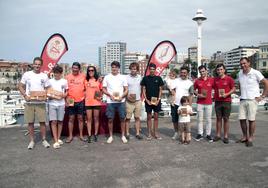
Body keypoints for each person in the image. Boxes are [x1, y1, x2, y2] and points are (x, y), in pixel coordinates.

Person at [18, 57, 50, 149]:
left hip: (41, 103)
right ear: (33, 64)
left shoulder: (44, 76)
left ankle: (44, 140)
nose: (37, 66)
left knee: (42, 122)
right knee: (30, 122)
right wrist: (25, 96)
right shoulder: (27, 74)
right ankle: (32, 141)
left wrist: (46, 96)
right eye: (35, 64)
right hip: (30, 103)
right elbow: (20, 86)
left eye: (39, 64)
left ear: (41, 65)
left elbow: (48, 88)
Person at [237, 57, 268, 147]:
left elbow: (266, 82)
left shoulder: (255, 73)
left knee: (251, 120)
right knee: (242, 119)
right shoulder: (240, 73)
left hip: (252, 100)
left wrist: (263, 96)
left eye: (244, 63)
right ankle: (244, 136)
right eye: (241, 64)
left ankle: (250, 138)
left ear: (249, 63)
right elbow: (239, 83)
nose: (243, 65)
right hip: (243, 99)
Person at [102, 61, 128, 144]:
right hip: (110, 101)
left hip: (121, 101)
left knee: (122, 119)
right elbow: (103, 89)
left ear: (118, 68)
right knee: (110, 119)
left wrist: (122, 96)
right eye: (113, 67)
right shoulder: (107, 77)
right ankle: (110, 136)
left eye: (116, 67)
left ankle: (123, 135)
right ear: (111, 68)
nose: (114, 68)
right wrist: (110, 95)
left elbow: (126, 90)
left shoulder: (123, 77)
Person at [140, 63, 164, 140]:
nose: (152, 70)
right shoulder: (145, 78)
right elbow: (143, 89)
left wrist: (158, 99)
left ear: (155, 70)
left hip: (156, 101)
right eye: (151, 69)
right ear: (149, 70)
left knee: (156, 117)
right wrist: (146, 100)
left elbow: (160, 90)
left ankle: (156, 133)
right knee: (149, 117)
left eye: (153, 69)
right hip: (148, 101)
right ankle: (149, 133)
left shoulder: (159, 78)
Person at [213, 64, 235, 144]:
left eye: (221, 69)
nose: (219, 71)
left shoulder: (229, 79)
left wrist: (227, 94)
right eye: (218, 70)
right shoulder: (215, 79)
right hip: (217, 101)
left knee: (226, 119)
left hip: (227, 101)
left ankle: (225, 136)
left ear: (224, 70)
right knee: (218, 118)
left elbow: (233, 89)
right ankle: (218, 135)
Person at [47, 65, 68, 149]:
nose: (57, 74)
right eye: (55, 73)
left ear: (61, 73)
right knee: (53, 122)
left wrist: (64, 95)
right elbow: (48, 93)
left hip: (61, 104)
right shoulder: (49, 81)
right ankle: (55, 141)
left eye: (58, 73)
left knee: (60, 121)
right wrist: (52, 96)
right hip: (52, 103)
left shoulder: (64, 81)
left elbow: (66, 92)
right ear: (53, 73)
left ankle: (58, 138)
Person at [170, 67, 193, 140]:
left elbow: (191, 95)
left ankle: (186, 134)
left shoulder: (190, 83)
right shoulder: (176, 80)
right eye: (182, 72)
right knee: (175, 119)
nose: (183, 74)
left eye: (184, 73)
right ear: (180, 72)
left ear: (187, 73)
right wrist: (172, 99)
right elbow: (172, 90)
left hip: (185, 105)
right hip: (175, 104)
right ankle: (177, 132)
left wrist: (190, 105)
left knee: (185, 120)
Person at [65, 62, 86, 143]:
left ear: (79, 69)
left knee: (80, 119)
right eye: (73, 68)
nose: (75, 69)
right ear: (72, 68)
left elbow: (86, 88)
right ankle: (70, 136)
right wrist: (66, 100)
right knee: (71, 119)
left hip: (80, 100)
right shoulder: (67, 77)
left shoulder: (83, 76)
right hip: (71, 100)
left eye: (76, 68)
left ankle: (81, 135)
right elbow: (65, 90)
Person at [194, 65, 214, 142]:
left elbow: (217, 88)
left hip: (209, 103)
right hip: (200, 103)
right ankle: (200, 134)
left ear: (206, 71)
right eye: (200, 72)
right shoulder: (197, 81)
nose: (202, 73)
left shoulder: (211, 80)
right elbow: (194, 90)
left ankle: (208, 134)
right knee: (199, 120)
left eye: (203, 71)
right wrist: (197, 94)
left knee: (208, 120)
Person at [125, 62, 143, 140]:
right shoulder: (126, 77)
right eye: (132, 69)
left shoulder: (140, 77)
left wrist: (141, 97)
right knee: (128, 118)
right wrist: (127, 96)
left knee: (137, 117)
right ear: (130, 69)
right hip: (129, 101)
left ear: (137, 70)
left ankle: (137, 133)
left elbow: (142, 88)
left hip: (138, 100)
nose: (133, 70)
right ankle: (127, 133)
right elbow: (124, 89)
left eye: (135, 69)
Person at [84, 65, 102, 143]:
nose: (91, 72)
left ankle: (95, 134)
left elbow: (101, 90)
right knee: (89, 119)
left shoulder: (98, 80)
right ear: (87, 72)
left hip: (96, 102)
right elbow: (83, 90)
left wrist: (100, 97)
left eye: (92, 70)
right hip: (88, 102)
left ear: (94, 71)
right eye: (89, 71)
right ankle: (89, 135)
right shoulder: (85, 80)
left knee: (96, 119)